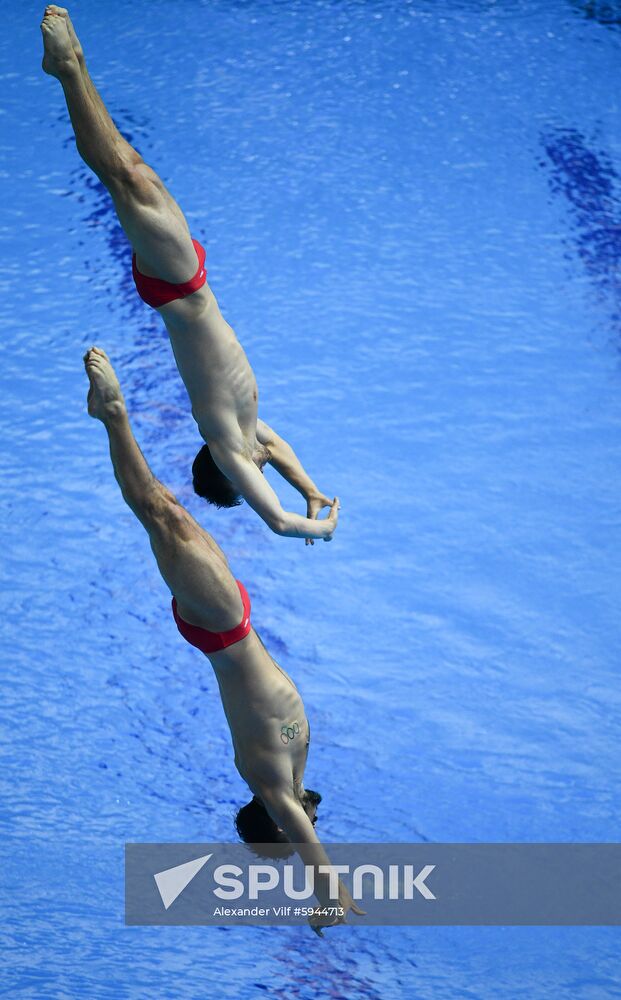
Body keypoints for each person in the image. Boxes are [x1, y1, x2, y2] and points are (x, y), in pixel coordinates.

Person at [82, 346, 363, 933]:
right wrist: (306, 484)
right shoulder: (294, 769)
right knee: (166, 514)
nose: (305, 829)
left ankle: (113, 415)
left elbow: (300, 832)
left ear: (278, 822)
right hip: (228, 619)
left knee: (157, 512)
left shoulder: (266, 779)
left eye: (287, 834)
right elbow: (300, 822)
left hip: (219, 624)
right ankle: (128, 420)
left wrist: (328, 891)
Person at [41, 5, 339, 544]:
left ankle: (67, 67)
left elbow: (276, 521)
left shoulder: (226, 440)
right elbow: (280, 454)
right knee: (132, 172)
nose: (261, 470)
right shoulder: (251, 432)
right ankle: (73, 66)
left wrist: (314, 526)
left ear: (232, 474)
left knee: (123, 176)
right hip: (187, 280)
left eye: (251, 480)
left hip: (177, 286)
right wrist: (313, 491)